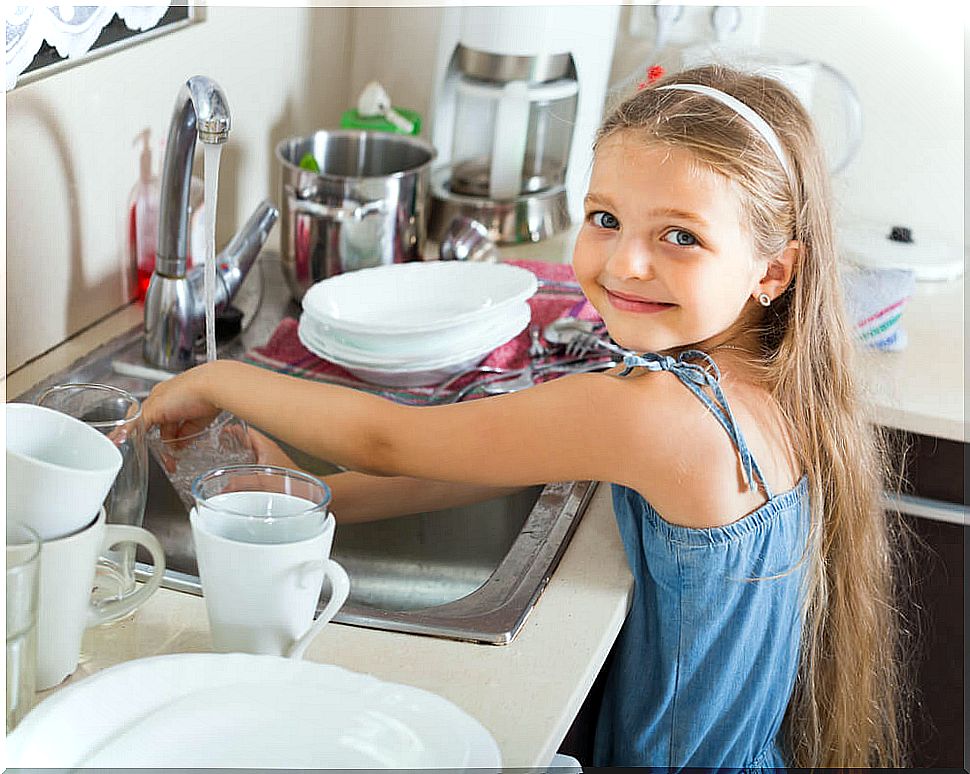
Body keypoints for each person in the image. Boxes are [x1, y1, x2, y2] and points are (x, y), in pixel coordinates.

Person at [141, 65, 907, 768]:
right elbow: (451, 467)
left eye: (681, 236)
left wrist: (222, 378)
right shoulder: (767, 384)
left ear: (772, 269)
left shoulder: (656, 416)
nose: (625, 264)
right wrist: (306, 495)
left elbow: (394, 437)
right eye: (605, 218)